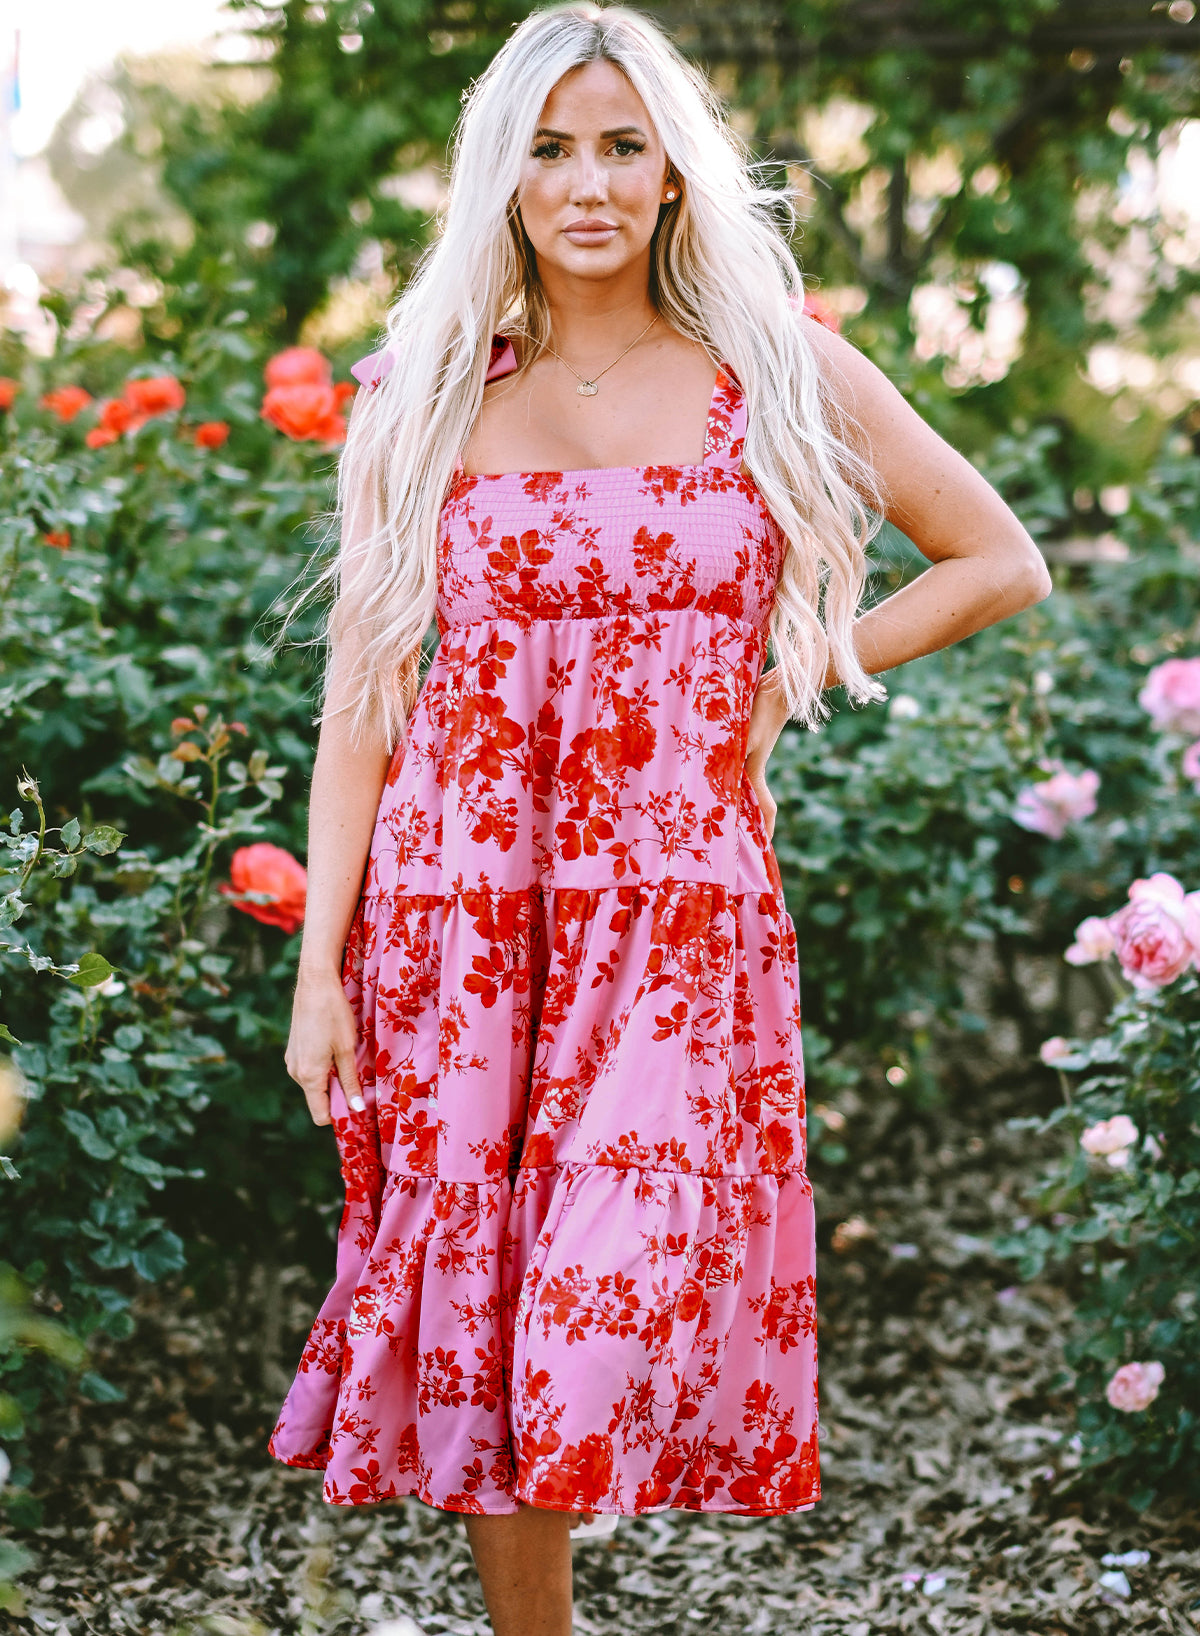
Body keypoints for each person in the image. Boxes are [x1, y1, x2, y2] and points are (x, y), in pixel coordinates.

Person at [269, 5, 1051, 1632]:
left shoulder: (770, 368)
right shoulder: (426, 396)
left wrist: (801, 664)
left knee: (593, 1300)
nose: (589, 183)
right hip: (461, 914)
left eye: (625, 145)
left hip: (672, 915)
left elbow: (996, 559)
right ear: (503, 176)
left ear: (679, 174)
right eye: (550, 148)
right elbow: (360, 704)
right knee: (486, 1310)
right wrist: (320, 967)